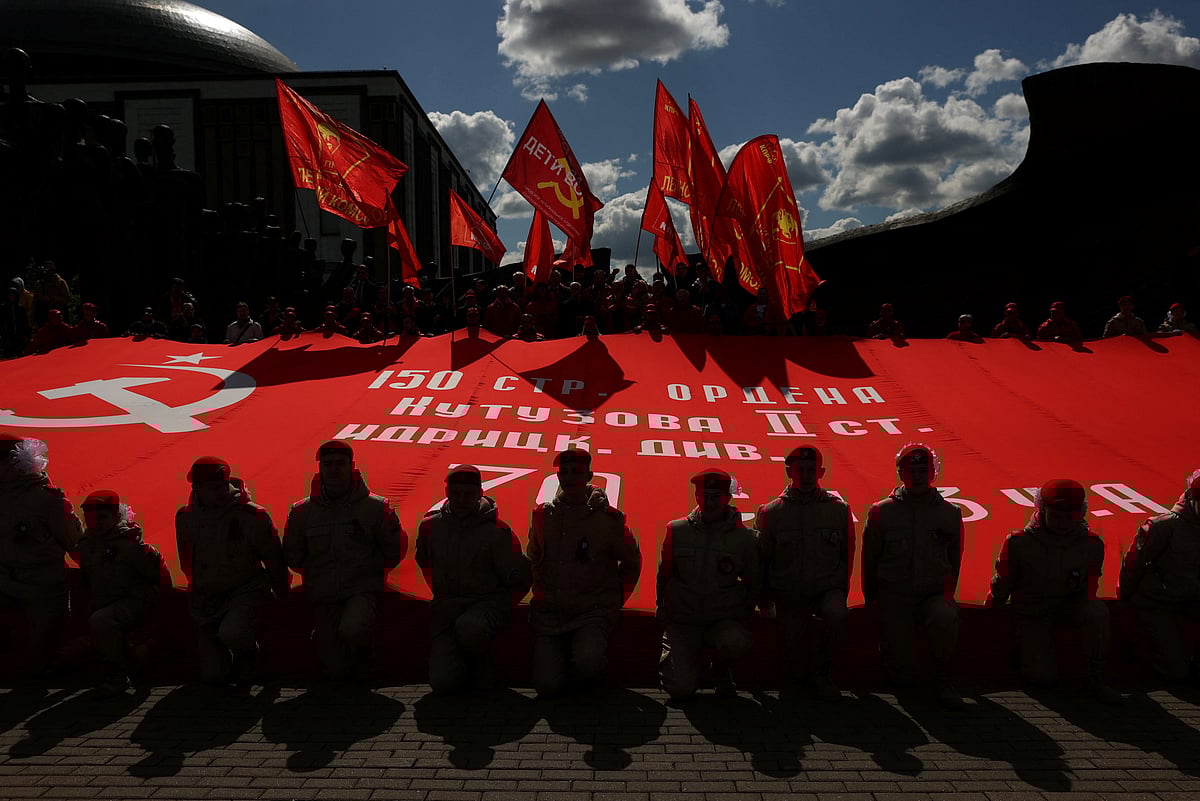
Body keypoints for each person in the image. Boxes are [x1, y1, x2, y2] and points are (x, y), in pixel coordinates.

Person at [988, 479, 1121, 704]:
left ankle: (1096, 676)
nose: (1063, 523)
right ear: (1042, 510)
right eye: (1056, 516)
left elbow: (1090, 587)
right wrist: (992, 614)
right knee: (1041, 678)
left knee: (1096, 611)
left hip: (1069, 606)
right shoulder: (1019, 543)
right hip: (1033, 612)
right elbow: (1002, 582)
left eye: (1071, 517)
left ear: (1081, 514)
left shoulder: (1091, 545)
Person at [283, 440, 405, 681]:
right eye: (328, 464)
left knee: (353, 629)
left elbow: (394, 550)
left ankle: (366, 654)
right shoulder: (302, 512)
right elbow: (293, 555)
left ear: (352, 466)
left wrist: (370, 573)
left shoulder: (376, 508)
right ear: (320, 468)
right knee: (336, 671)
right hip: (323, 594)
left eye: (340, 464)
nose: (334, 469)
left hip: (361, 590)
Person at [526, 450, 641, 698]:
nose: (569, 478)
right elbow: (534, 557)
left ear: (589, 475)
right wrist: (542, 592)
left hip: (591, 612)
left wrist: (614, 601)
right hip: (551, 615)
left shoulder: (608, 520)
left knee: (589, 660)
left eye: (576, 472)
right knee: (546, 687)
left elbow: (632, 562)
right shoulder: (543, 516)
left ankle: (586, 668)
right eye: (563, 472)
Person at [862, 443, 964, 707]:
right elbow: (870, 558)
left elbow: (955, 558)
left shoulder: (950, 514)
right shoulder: (882, 512)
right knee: (901, 675)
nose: (917, 476)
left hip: (933, 592)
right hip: (895, 594)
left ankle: (943, 677)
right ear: (900, 474)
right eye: (910, 471)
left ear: (933, 473)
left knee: (945, 617)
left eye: (923, 470)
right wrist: (871, 597)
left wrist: (947, 594)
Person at [415, 465, 532, 694]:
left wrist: (499, 609)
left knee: (471, 628)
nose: (461, 499)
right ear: (447, 492)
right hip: (447, 609)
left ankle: (484, 663)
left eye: (468, 494)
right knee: (443, 683)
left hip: (484, 606)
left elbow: (519, 579)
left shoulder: (497, 533)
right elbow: (425, 563)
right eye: (456, 493)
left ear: (479, 493)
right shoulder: (431, 527)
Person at [175, 456, 289, 685]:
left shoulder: (252, 516)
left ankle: (248, 655)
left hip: (244, 590)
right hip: (207, 598)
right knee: (212, 675)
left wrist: (282, 593)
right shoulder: (187, 518)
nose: (219, 492)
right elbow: (187, 559)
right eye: (211, 488)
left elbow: (274, 558)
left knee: (233, 633)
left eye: (221, 486)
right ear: (197, 489)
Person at [756, 447, 854, 701]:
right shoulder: (772, 513)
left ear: (821, 472)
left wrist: (840, 590)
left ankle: (824, 673)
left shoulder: (838, 510)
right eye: (800, 470)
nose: (806, 475)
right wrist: (765, 600)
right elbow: (764, 560)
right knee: (791, 649)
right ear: (789, 471)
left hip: (826, 589)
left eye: (811, 470)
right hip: (789, 591)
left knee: (837, 613)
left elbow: (847, 555)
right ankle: (797, 677)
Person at [657, 470, 761, 701]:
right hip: (684, 620)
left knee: (736, 641)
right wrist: (661, 606)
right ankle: (688, 660)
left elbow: (753, 581)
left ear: (727, 498)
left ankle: (721, 667)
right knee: (680, 689)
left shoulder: (744, 540)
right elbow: (664, 573)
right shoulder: (677, 530)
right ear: (696, 497)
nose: (710, 502)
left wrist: (743, 613)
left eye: (716, 496)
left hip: (720, 619)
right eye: (704, 496)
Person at [0, 433, 83, 675]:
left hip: (42, 585)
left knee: (39, 659)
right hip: (5, 579)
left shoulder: (47, 500)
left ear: (14, 463)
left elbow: (75, 543)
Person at [73, 490, 169, 695]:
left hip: (135, 601)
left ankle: (120, 672)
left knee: (102, 620)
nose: (95, 523)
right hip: (106, 602)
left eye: (102, 517)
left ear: (116, 517)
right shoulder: (86, 546)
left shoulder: (132, 546)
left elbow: (160, 577)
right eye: (89, 518)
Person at [1119, 470, 1200, 683]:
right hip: (1157, 603)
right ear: (1191, 498)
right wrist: (1124, 601)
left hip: (1191, 599)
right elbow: (1133, 565)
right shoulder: (1164, 527)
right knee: (1176, 672)